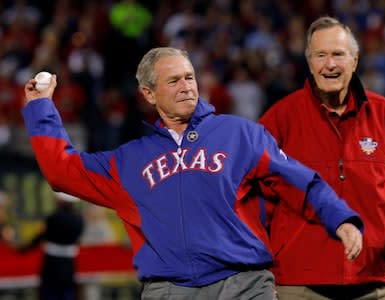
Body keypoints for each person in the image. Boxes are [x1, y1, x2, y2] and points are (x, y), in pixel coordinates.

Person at [22, 46, 364, 300]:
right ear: (148, 93)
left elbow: (300, 180)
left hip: (243, 285)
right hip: (168, 291)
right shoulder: (128, 162)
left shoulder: (241, 135)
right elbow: (62, 171)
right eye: (174, 81)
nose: (186, 86)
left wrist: (342, 218)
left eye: (189, 77)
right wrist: (41, 108)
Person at [258, 16, 385, 300]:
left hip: (371, 281)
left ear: (355, 60)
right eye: (320, 55)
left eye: (338, 54)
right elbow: (258, 200)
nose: (330, 64)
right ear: (309, 63)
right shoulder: (279, 120)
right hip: (299, 283)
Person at [19, 191, 84, 300]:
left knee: (50, 293)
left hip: (51, 265)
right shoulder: (79, 221)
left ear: (60, 201)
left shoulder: (52, 219)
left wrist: (22, 249)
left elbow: (40, 237)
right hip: (69, 265)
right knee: (66, 293)